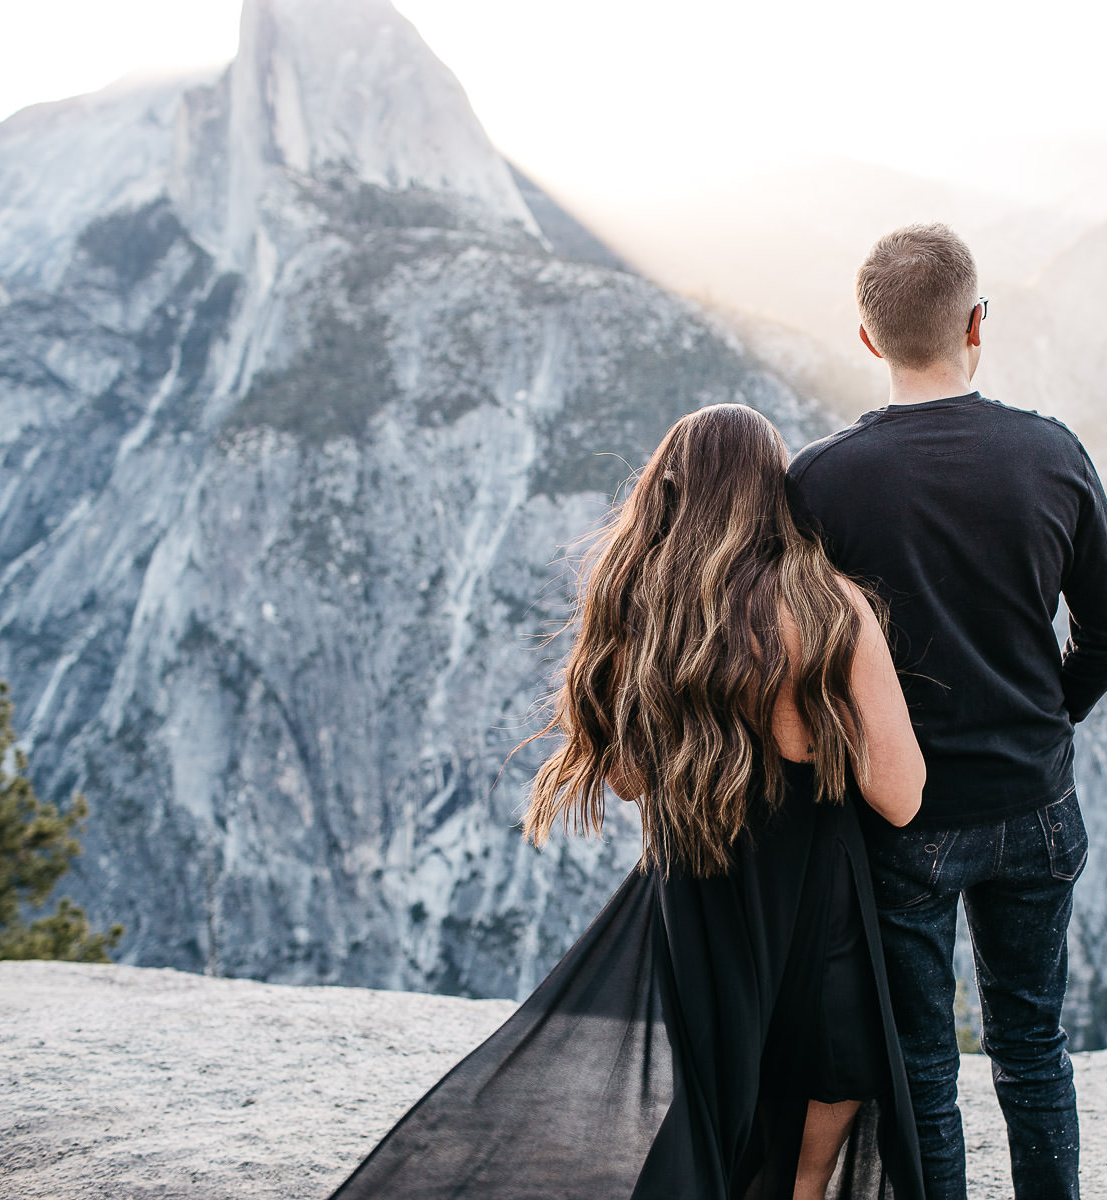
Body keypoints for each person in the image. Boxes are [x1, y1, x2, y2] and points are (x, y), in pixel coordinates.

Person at [330, 403, 928, 1200]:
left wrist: (716, 720)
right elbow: (900, 797)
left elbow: (627, 780)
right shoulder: (829, 606)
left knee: (719, 1087)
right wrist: (811, 728)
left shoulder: (645, 605)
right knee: (838, 1061)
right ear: (772, 492)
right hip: (813, 880)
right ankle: (804, 1193)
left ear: (669, 491)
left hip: (701, 875)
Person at [786, 224, 1107, 1200]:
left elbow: (801, 662)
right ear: (978, 323)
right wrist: (1044, 723)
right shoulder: (1051, 454)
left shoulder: (821, 481)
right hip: (1035, 802)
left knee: (923, 1066)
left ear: (867, 340)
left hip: (905, 820)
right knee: (1033, 1047)